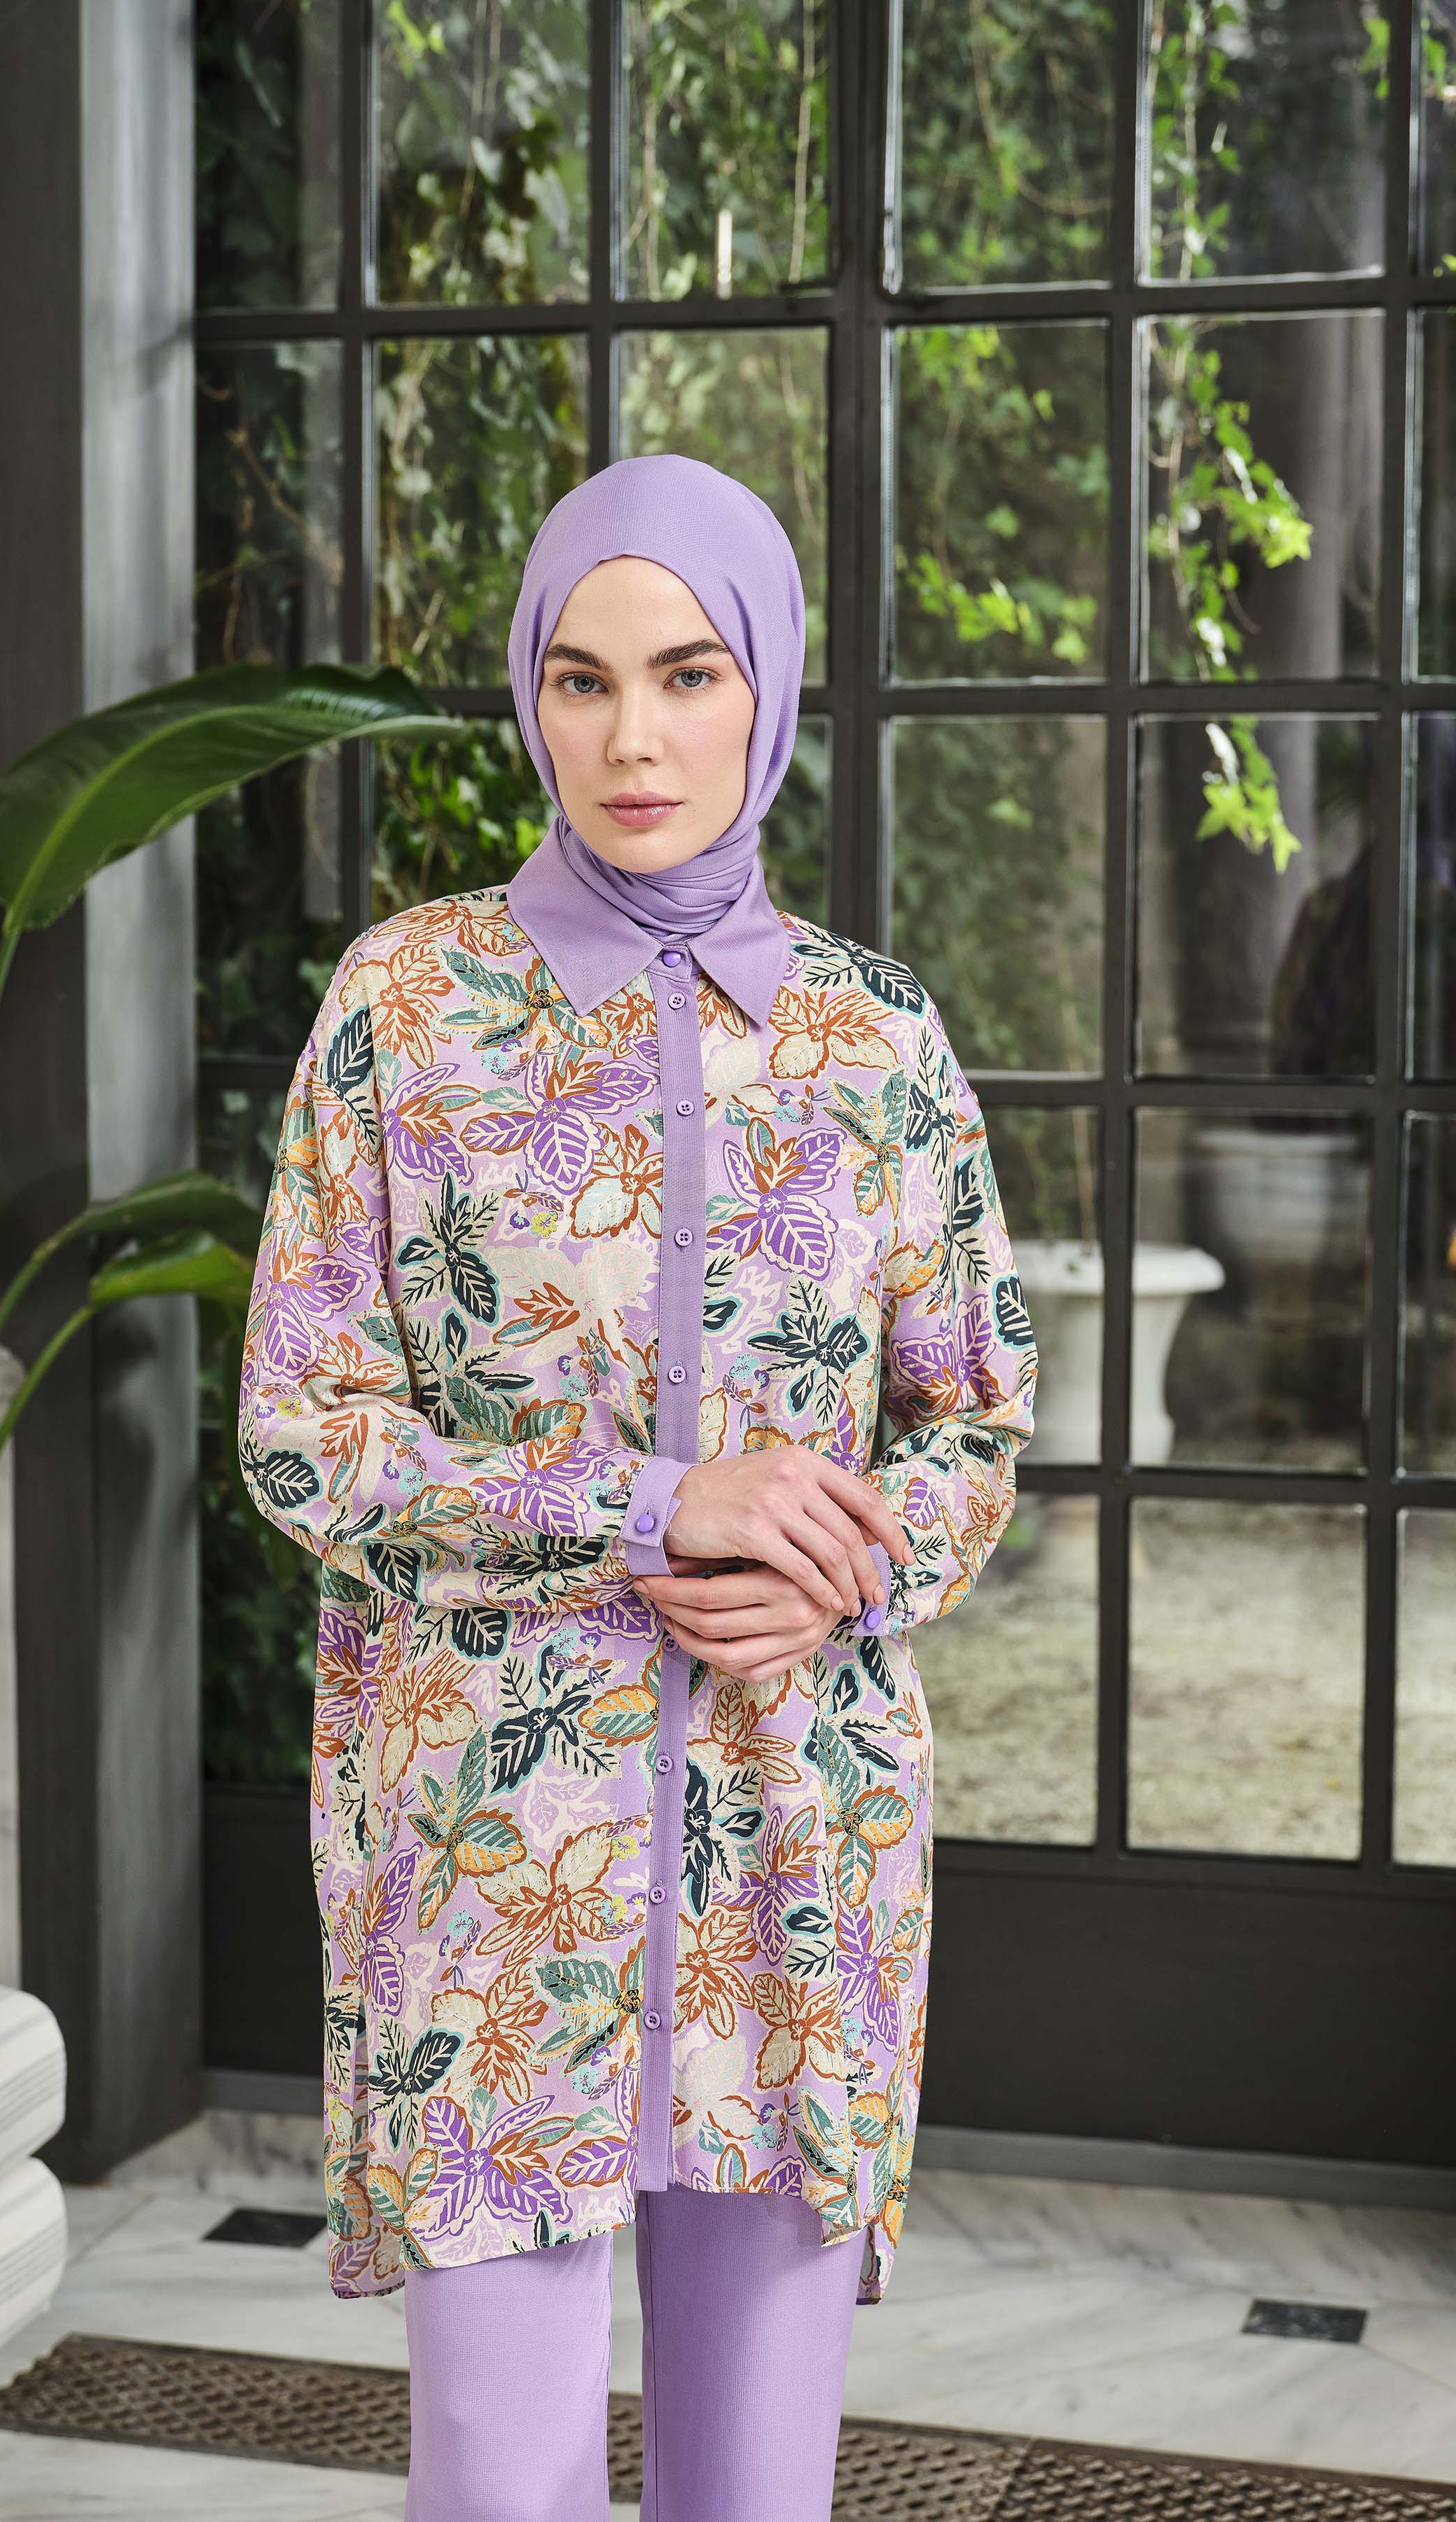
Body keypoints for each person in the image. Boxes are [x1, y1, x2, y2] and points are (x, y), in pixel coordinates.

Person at [237, 452, 1037, 2521]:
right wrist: (656, 1506)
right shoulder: (405, 1009)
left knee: (754, 2495)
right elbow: (306, 1431)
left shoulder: (874, 1039)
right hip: (494, 1859)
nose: (633, 739)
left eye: (689, 674)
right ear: (532, 695)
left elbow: (970, 1424)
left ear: (767, 686)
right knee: (498, 2482)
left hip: (799, 1852)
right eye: (580, 680)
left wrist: (845, 1571)